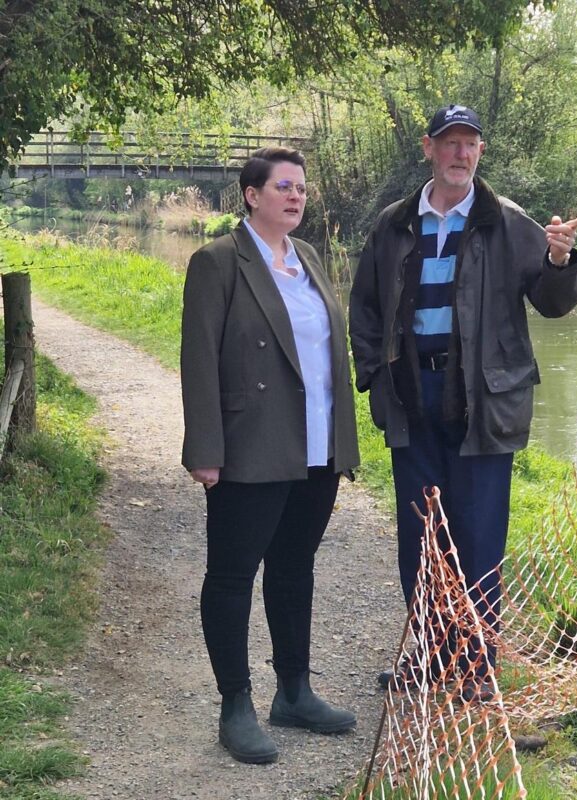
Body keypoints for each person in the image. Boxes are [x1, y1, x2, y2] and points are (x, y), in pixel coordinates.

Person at [349, 104, 577, 698]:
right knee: (423, 537)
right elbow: (366, 309)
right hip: (412, 396)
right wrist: (374, 376)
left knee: (478, 535)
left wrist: (559, 260)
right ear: (428, 148)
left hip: (482, 401)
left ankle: (476, 667)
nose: (461, 153)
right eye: (450, 143)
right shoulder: (395, 223)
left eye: (470, 144)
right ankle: (430, 658)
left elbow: (555, 303)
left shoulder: (506, 222)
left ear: (480, 152)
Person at [181, 146, 360, 764]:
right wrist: (205, 449)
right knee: (232, 576)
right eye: (283, 187)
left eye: (302, 189)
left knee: (293, 567)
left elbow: (327, 355)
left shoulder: (309, 258)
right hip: (250, 445)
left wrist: (343, 441)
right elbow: (199, 358)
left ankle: (295, 691)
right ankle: (236, 705)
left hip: (316, 447)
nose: (296, 197)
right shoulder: (218, 263)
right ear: (251, 194)